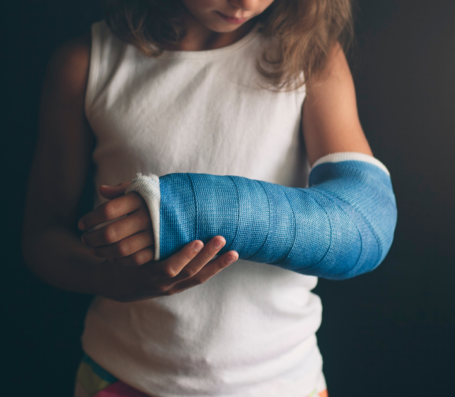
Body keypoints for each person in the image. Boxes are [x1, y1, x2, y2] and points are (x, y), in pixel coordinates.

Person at [22, 0, 397, 396]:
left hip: (283, 383)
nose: (246, 2)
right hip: (124, 377)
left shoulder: (309, 56)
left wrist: (198, 207)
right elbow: (41, 237)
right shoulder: (85, 63)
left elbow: (363, 223)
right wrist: (112, 279)